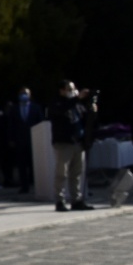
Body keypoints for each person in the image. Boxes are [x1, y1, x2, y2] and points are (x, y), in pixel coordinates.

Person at [47, 80, 96, 212]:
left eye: (74, 88)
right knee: (61, 174)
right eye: (69, 89)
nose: (73, 91)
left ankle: (77, 200)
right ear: (61, 90)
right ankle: (60, 201)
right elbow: (61, 110)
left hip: (78, 142)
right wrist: (76, 98)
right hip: (64, 143)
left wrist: (90, 102)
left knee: (76, 174)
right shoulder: (56, 103)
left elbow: (85, 117)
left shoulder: (76, 104)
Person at [6, 86, 44, 193]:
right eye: (22, 93)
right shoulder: (14, 108)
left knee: (34, 164)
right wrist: (11, 139)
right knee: (22, 165)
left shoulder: (36, 108)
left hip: (34, 139)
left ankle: (37, 185)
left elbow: (40, 123)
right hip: (20, 140)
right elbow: (11, 125)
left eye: (26, 93)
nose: (24, 95)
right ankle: (24, 186)